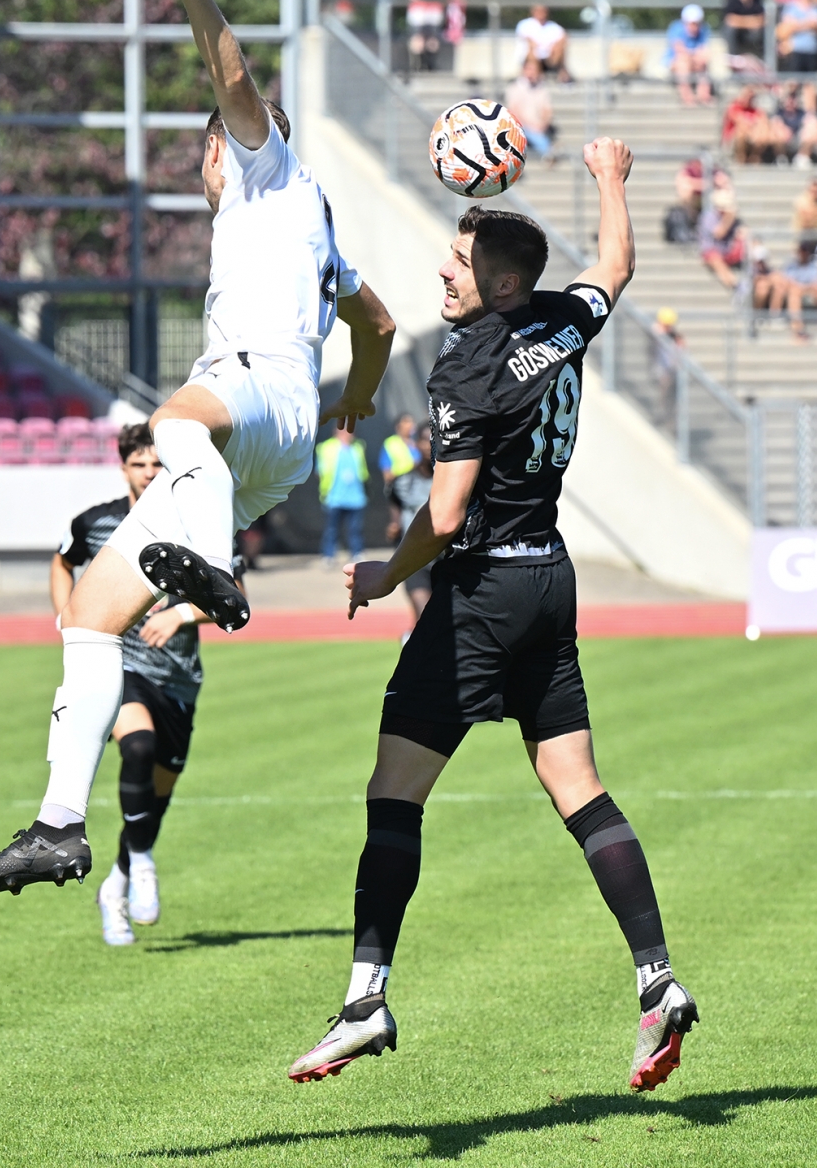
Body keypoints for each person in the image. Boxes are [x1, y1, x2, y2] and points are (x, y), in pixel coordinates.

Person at [0, 0, 396, 897]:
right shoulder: (315, 226)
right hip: (276, 442)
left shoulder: (265, 168)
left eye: (208, 153)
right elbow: (380, 321)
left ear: (220, 152)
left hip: (250, 394)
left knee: (172, 423)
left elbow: (231, 74)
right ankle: (58, 826)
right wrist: (357, 400)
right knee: (93, 615)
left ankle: (218, 572)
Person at [286, 143, 700, 1094]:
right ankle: (657, 978)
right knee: (578, 785)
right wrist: (610, 178)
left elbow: (442, 515)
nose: (443, 267)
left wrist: (386, 576)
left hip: (480, 596)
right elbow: (615, 266)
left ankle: (365, 999)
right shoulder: (559, 318)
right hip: (549, 577)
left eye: (460, 260)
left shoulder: (467, 364)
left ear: (501, 282)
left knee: (394, 791)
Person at [50, 424, 239, 946]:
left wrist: (181, 613)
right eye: (140, 464)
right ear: (123, 468)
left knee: (155, 797)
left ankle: (116, 886)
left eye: (158, 463)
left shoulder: (202, 519)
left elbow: (234, 595)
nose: (151, 473)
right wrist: (66, 615)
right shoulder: (96, 522)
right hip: (121, 666)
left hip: (178, 677)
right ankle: (143, 862)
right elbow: (62, 562)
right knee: (137, 745)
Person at [386, 425, 434, 633]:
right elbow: (394, 503)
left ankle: (412, 639)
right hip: (415, 561)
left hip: (447, 560)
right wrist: (395, 524)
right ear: (416, 444)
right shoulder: (403, 480)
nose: (429, 446)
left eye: (434, 440)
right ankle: (412, 642)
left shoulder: (451, 482)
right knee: (426, 617)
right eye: (425, 440)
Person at [317, 425, 371, 566]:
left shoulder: (358, 446)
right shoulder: (326, 447)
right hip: (334, 497)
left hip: (355, 497)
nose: (348, 434)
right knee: (331, 529)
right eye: (344, 430)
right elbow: (320, 471)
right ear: (337, 431)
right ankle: (328, 555)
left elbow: (363, 471)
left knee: (355, 529)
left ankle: (357, 553)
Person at [777, 240, 817, 344]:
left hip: (810, 291)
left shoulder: (814, 266)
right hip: (795, 291)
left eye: (805, 251)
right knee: (794, 294)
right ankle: (798, 330)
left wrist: (807, 287)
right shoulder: (791, 266)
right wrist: (801, 287)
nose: (803, 254)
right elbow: (787, 283)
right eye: (801, 251)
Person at [504, 57, 555, 164]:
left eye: (534, 69)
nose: (531, 72)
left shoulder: (542, 89)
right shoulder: (514, 88)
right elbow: (515, 113)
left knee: (539, 135)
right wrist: (532, 127)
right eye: (529, 69)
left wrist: (542, 125)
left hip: (538, 127)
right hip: (522, 127)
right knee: (538, 138)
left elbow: (547, 111)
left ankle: (548, 154)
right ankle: (549, 154)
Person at [697, 191, 748, 289]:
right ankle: (735, 284)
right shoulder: (709, 217)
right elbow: (718, 234)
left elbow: (742, 232)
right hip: (711, 252)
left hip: (727, 251)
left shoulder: (734, 219)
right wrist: (728, 218)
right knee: (715, 259)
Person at [666, 5, 712, 108]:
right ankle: (687, 97)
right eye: (692, 24)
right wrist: (693, 56)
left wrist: (696, 58)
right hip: (677, 63)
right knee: (683, 63)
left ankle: (704, 95)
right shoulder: (677, 28)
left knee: (701, 62)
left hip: (693, 62)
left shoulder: (703, 30)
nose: (695, 27)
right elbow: (679, 50)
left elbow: (704, 51)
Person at [775, 0, 817, 77]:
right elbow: (785, 29)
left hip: (812, 49)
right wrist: (808, 24)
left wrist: (798, 24)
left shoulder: (815, 8)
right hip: (795, 49)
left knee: (810, 80)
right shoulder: (791, 8)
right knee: (793, 79)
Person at [722, 0, 766, 69]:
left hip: (752, 34)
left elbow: (761, 20)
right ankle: (732, 59)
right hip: (737, 35)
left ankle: (763, 59)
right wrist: (751, 21)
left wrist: (741, 21)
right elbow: (730, 20)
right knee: (730, 29)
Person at [514, 4, 569, 80]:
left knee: (559, 48)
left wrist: (555, 46)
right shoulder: (525, 24)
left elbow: (563, 36)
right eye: (538, 11)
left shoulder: (553, 26)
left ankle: (560, 74)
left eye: (543, 11)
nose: (541, 13)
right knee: (532, 50)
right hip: (532, 55)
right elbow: (529, 41)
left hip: (549, 56)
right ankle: (535, 77)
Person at [380, 413, 420, 493]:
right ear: (398, 426)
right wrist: (410, 467)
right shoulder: (390, 444)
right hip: (400, 488)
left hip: (419, 488)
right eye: (406, 422)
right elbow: (387, 475)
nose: (410, 425)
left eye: (412, 422)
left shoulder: (418, 443)